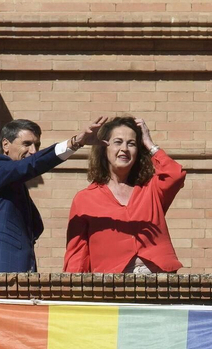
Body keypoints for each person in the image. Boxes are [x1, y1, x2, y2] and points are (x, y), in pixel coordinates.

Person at [0, 116, 106, 273]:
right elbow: (29, 166)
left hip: (22, 277)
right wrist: (74, 143)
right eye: (26, 144)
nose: (33, 151)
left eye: (37, 145)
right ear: (6, 144)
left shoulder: (14, 186)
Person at [64, 117, 185, 274]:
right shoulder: (85, 198)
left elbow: (175, 175)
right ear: (104, 148)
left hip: (157, 275)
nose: (125, 148)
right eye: (118, 142)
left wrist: (150, 144)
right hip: (111, 279)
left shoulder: (150, 189)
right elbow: (77, 253)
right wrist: (75, 290)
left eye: (132, 143)